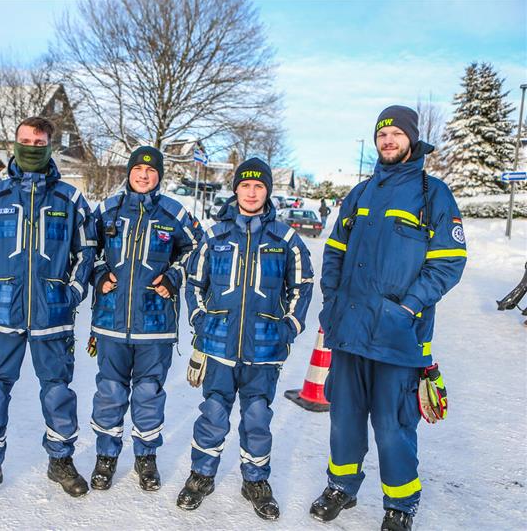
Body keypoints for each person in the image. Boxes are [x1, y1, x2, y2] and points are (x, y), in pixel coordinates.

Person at [309, 106, 467, 531]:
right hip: (349, 331)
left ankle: (400, 503)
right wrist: (333, 302)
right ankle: (341, 485)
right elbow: (335, 253)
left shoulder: (433, 193)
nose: (388, 141)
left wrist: (407, 307)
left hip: (399, 336)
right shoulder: (360, 194)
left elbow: (449, 262)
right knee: (344, 417)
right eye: (382, 134)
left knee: (393, 424)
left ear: (411, 139)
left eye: (397, 134)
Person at [0, 116, 97, 503]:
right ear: (14, 143)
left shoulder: (69, 200)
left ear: (50, 146)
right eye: (26, 140)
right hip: (2, 314)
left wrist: (71, 291)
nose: (32, 146)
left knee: (57, 391)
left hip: (53, 316)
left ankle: (60, 460)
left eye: (39, 141)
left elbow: (86, 251)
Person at [178, 158, 314, 520]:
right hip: (218, 345)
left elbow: (302, 285)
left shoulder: (285, 239)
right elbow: (193, 283)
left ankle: (255, 479)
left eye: (259, 186)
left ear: (267, 191)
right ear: (236, 188)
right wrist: (198, 319)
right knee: (213, 413)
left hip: (265, 349)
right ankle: (201, 475)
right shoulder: (215, 236)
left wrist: (291, 327)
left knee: (257, 417)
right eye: (245, 185)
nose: (251, 192)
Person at [88, 146, 202, 492]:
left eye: (151, 171)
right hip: (110, 321)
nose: (143, 175)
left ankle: (146, 457)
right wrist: (98, 274)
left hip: (155, 324)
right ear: (128, 172)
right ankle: (106, 458)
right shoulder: (107, 211)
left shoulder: (174, 213)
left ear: (159, 176)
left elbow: (197, 250)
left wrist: (174, 277)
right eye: (138, 169)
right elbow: (86, 250)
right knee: (109, 392)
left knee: (149, 393)